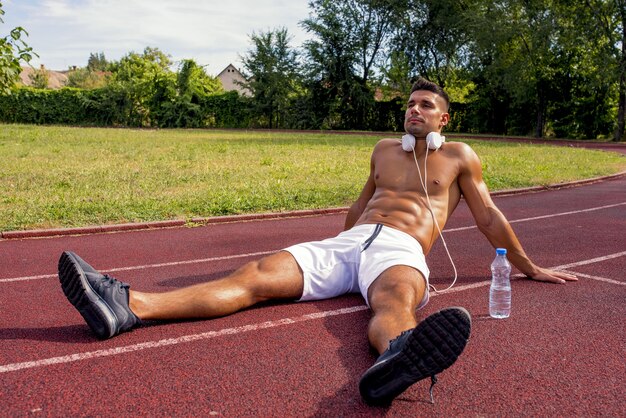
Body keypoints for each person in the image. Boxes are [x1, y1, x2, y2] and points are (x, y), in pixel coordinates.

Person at [57, 78, 577, 406]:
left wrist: (528, 265)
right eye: (410, 105)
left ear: (444, 120)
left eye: (425, 106)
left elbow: (487, 216)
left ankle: (395, 358)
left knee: (394, 299)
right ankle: (128, 306)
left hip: (400, 247)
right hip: (347, 243)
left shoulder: (460, 155)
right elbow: (358, 205)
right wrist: (333, 243)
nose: (414, 111)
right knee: (256, 275)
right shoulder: (382, 150)